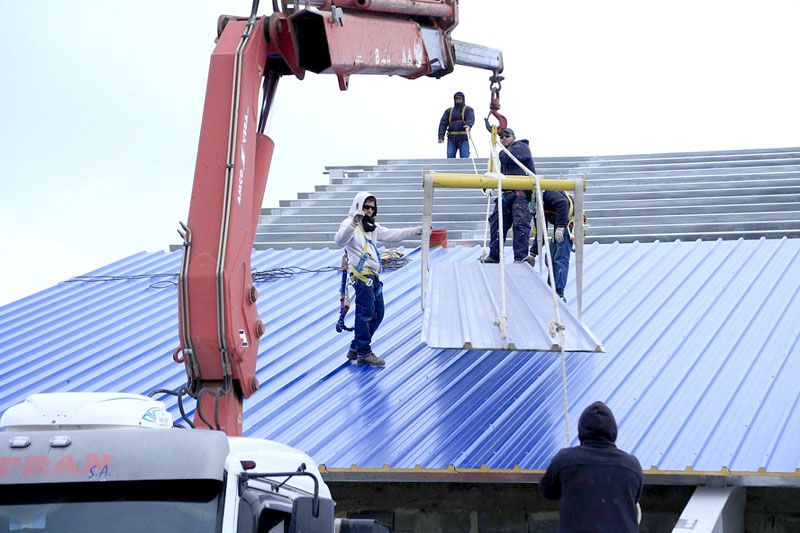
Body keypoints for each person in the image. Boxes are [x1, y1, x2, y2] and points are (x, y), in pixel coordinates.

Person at [334, 191, 422, 367]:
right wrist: (354, 222)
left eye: (372, 208)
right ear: (358, 206)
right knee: (365, 314)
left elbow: (393, 234)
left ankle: (356, 347)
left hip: (373, 277)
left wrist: (417, 230)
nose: (369, 210)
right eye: (366, 207)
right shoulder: (350, 224)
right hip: (362, 276)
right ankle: (364, 352)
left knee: (378, 313)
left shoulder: (371, 227)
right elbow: (339, 240)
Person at [540, 401, 643, 533]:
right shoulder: (632, 465)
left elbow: (547, 491)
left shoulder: (565, 459)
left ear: (582, 429)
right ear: (613, 431)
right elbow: (634, 498)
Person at [481, 128, 535, 263]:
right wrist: (487, 185)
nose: (504, 138)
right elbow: (495, 172)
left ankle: (520, 257)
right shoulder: (501, 155)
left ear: (514, 137)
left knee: (520, 224)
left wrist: (497, 154)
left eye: (507, 136)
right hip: (506, 194)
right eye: (501, 137)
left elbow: (508, 156)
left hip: (521, 194)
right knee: (496, 223)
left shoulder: (522, 146)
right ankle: (494, 255)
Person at [529, 185, 571, 301]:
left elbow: (563, 203)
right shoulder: (534, 206)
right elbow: (541, 233)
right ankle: (552, 288)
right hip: (560, 225)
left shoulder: (546, 193)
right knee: (550, 258)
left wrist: (561, 227)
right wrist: (533, 253)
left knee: (560, 258)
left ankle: (558, 294)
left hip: (569, 224)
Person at [437, 91, 475, 158]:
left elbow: (470, 118)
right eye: (456, 98)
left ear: (463, 99)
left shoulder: (468, 110)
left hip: (463, 138)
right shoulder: (449, 111)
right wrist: (441, 136)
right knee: (450, 157)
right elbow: (443, 124)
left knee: (465, 157)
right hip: (452, 138)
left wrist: (468, 125)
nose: (458, 100)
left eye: (460, 98)